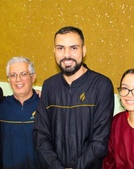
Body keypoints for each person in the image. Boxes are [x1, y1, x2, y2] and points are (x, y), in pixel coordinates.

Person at [33, 26, 114, 169]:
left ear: (83, 50)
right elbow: (41, 135)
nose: (66, 55)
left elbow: (100, 140)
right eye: (60, 48)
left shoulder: (102, 85)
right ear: (54, 51)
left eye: (74, 48)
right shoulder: (49, 86)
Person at [0, 57, 40, 169]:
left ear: (33, 77)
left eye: (23, 74)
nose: (18, 79)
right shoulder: (0, 107)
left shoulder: (46, 106)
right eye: (13, 75)